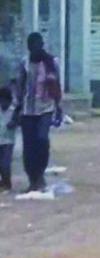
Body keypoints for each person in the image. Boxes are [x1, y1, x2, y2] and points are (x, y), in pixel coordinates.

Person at [13, 33, 62, 193]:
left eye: (38, 44)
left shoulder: (51, 63)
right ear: (29, 47)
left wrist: (58, 106)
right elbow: (20, 87)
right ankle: (32, 178)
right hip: (27, 110)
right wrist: (16, 109)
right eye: (32, 45)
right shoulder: (25, 63)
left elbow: (57, 85)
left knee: (41, 139)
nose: (36, 48)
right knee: (29, 146)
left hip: (45, 108)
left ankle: (40, 174)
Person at [0, 87, 16, 191]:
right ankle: (3, 181)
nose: (4, 103)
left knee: (5, 163)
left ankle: (7, 183)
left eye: (6, 101)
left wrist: (14, 123)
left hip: (8, 141)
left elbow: (18, 121)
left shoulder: (13, 111)